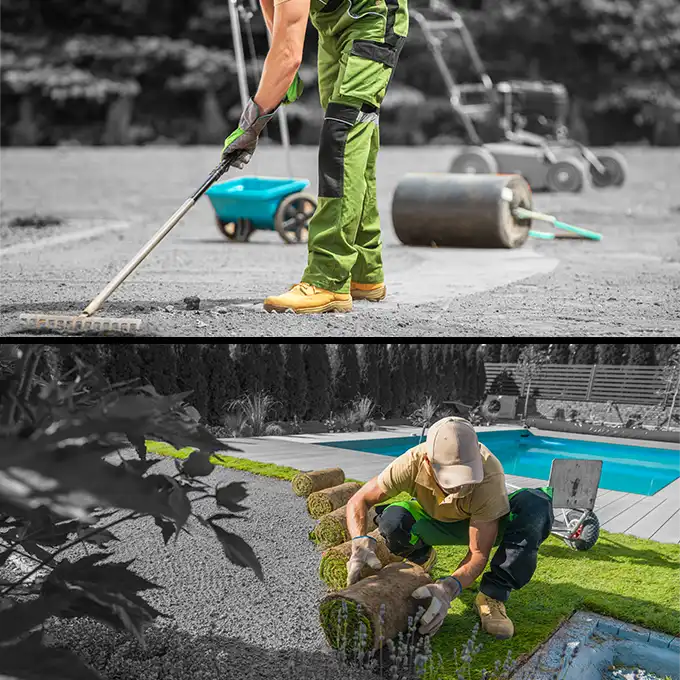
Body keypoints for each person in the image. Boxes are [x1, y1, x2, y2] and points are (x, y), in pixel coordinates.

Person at [221, 0, 408, 313]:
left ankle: (328, 279)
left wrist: (252, 123)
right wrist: (279, 75)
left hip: (373, 19)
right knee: (355, 143)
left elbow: (288, 56)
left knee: (342, 136)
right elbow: (277, 17)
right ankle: (365, 272)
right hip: (333, 25)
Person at [345, 416, 554, 639]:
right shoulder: (411, 463)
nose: (461, 487)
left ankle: (492, 595)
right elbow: (359, 500)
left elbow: (478, 553)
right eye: (452, 478)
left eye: (467, 476)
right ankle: (421, 555)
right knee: (392, 520)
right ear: (427, 462)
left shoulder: (489, 472)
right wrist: (359, 541)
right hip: (435, 518)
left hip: (484, 524)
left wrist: (449, 588)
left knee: (536, 505)